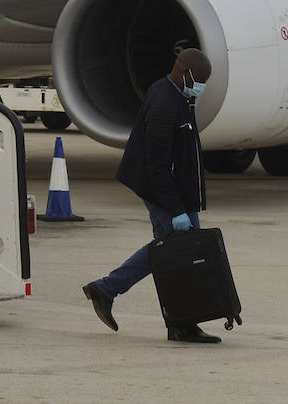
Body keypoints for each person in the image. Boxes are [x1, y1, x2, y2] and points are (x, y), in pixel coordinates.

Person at [82, 48, 219, 343]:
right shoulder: (164, 105)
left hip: (176, 193)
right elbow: (156, 166)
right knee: (170, 252)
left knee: (175, 251)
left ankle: (180, 322)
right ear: (185, 72)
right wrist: (174, 209)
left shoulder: (178, 95)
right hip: (164, 193)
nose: (202, 86)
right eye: (201, 80)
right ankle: (112, 292)